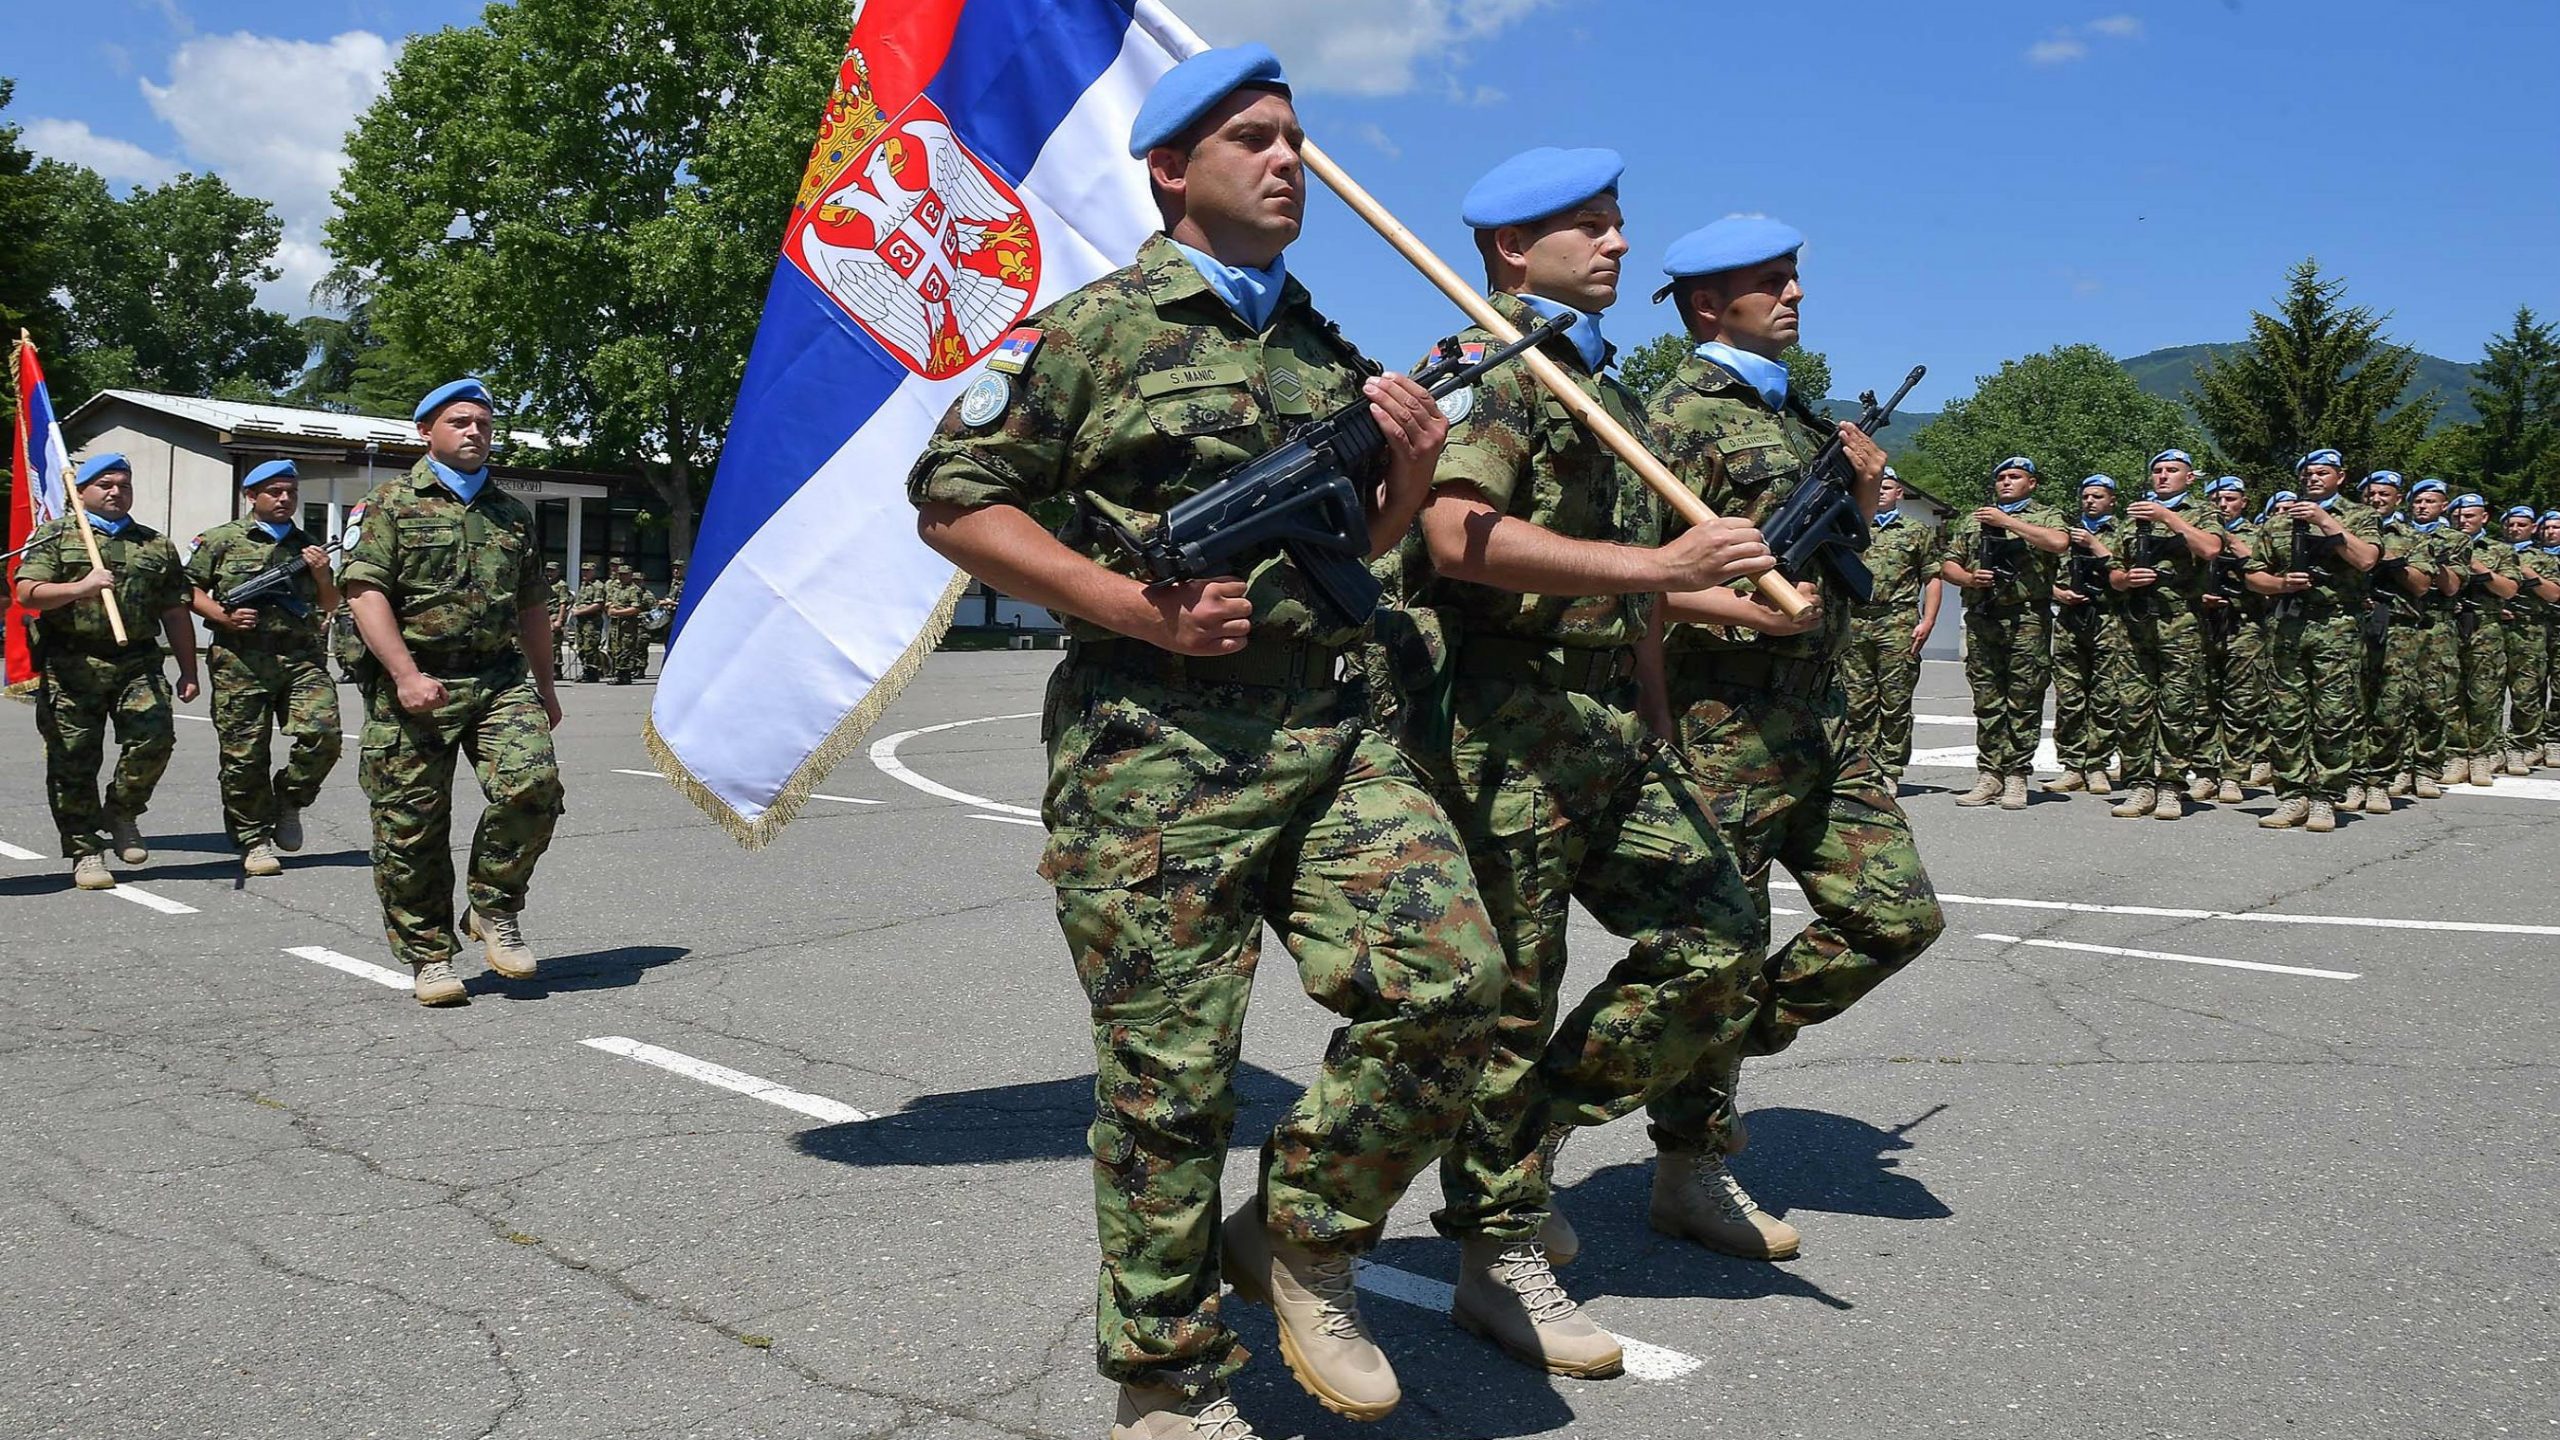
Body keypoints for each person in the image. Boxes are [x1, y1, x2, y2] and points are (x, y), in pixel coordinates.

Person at [906, 47, 1507, 1438]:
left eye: (1297, 137)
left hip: (1325, 719)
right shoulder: (1092, 332)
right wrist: (1127, 601)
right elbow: (952, 496)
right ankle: (1166, 1380)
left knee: (1452, 982)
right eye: (1254, 138)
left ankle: (1298, 1232)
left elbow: (1352, 546)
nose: (1289, 159)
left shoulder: (1321, 349)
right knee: (1172, 1084)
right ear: (1172, 169)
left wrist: (1409, 473)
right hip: (1152, 743)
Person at [1411, 145, 1774, 1376]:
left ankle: (1521, 1149)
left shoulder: (1593, 378)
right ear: (1515, 251)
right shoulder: (1490, 365)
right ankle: (1494, 1254)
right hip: (1506, 734)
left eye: (1619, 224)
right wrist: (1662, 574)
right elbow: (1457, 534)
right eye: (1590, 228)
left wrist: (1657, 694)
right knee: (1512, 1004)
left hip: (1612, 724)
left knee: (1719, 939)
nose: (1619, 245)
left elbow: (1633, 600)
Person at [1636, 214, 1944, 1262]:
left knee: (1894, 918)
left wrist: (1857, 498)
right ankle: (1689, 1165)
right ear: (1706, 304)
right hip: (1721, 730)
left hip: (1819, 723)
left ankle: (1715, 1036)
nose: (1795, 295)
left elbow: (1830, 581)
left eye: (1794, 278)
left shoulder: (1797, 415)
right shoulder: (1671, 418)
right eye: (1770, 282)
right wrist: (1738, 613)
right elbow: (1624, 583)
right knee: (1720, 947)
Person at [340, 378, 565, 1006]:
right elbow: (364, 592)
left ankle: (493, 908)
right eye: (460, 422)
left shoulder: (509, 513)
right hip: (415, 681)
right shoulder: (387, 503)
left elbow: (531, 605)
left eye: (484, 425)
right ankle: (429, 956)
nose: (475, 433)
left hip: (498, 678)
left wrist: (545, 688)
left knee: (533, 786)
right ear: (426, 432)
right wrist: (406, 675)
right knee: (409, 826)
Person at [12, 453, 199, 889]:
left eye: (124, 484)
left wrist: (189, 669)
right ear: (82, 492)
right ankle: (84, 850)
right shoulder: (56, 536)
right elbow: (27, 593)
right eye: (105, 484)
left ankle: (121, 810)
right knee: (73, 759)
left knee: (155, 738)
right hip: (72, 661)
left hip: (137, 659)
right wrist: (81, 586)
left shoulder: (154, 544)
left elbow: (175, 610)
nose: (116, 492)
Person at [184, 459, 343, 876]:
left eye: (290, 491)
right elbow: (186, 587)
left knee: (323, 735)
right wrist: (221, 616)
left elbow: (331, 604)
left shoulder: (308, 546)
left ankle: (289, 801)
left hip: (301, 658)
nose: (284, 499)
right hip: (241, 660)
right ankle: (253, 839)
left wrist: (323, 575)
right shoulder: (220, 540)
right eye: (274, 491)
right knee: (244, 756)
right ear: (251, 496)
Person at [2242, 449, 2381, 831]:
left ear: (2341, 476)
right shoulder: (2280, 522)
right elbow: (2253, 574)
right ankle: (2292, 795)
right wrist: (2282, 583)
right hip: (2288, 626)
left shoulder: (2359, 516)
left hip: (2336, 626)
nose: (2313, 479)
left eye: (2322, 473)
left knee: (2333, 715)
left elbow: (2367, 559)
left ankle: (2325, 797)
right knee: (2285, 716)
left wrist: (2323, 520)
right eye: (2307, 473)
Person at [1940, 458, 2069, 809]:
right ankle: (1989, 774)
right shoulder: (1974, 519)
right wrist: (1968, 578)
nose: (2006, 482)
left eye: (2015, 477)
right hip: (1985, 618)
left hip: (2027, 618)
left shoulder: (2046, 515)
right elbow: (1948, 562)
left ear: (2032, 483)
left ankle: (2016, 776)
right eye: (2001, 477)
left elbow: (2059, 543)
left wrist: (2008, 522)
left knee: (2024, 699)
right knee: (1987, 700)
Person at [2109, 449, 2224, 818]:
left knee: (2177, 707)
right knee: (2133, 707)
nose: (2162, 476)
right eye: (2157, 471)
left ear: (2189, 478)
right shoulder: (2132, 519)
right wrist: (2126, 579)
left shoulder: (2203, 513)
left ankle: (2171, 784)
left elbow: (2210, 549)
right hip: (2137, 622)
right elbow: (2112, 569)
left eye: (2171, 471)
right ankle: (2139, 783)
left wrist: (2167, 517)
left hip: (2180, 622)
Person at [1840, 468, 1942, 783]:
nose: (1881, 492)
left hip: (1897, 621)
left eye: (1888, 487)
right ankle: (1862, 769)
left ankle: (1890, 770)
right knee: (1857, 702)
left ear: (1899, 493)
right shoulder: (1851, 527)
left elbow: (1932, 577)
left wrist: (1928, 621)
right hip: (1856, 620)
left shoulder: (1916, 530)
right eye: (1877, 487)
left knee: (1895, 701)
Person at [2355, 471, 2435, 808]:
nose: (2376, 499)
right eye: (2371, 494)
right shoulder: (2345, 531)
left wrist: (2391, 562)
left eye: (2384, 494)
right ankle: (2354, 779)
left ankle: (2379, 780)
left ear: (2397, 499)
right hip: (2353, 626)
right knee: (2350, 708)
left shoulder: (2411, 537)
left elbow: (2421, 586)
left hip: (2398, 629)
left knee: (2390, 709)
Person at [2044, 475, 2127, 798]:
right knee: (2069, 698)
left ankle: (2098, 766)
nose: (2090, 501)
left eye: (2098, 496)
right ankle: (2072, 766)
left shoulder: (2122, 532)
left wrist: (2095, 545)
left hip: (2108, 619)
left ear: (2112, 501)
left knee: (2105, 698)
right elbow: (2040, 571)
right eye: (2086, 496)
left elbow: (2127, 571)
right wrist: (2057, 594)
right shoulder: (2065, 533)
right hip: (2069, 620)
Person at [2199, 476, 2273, 799]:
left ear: (2244, 502)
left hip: (2244, 624)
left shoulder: (2259, 534)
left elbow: (2263, 567)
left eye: (2230, 499)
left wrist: (2227, 539)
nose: (2223, 504)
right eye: (2216, 499)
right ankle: (2204, 771)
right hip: (2205, 622)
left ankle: (2233, 774)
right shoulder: (2196, 532)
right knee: (2203, 702)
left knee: (2241, 703)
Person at [2447, 493, 2520, 787]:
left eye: (2469, 516)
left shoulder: (2499, 550)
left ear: (2484, 518)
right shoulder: (2440, 544)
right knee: (2449, 694)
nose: (2463, 521)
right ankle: (2454, 754)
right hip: (2448, 624)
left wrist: (2479, 569)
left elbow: (2509, 590)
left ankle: (2480, 756)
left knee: (2484, 696)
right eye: (2457, 517)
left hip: (2484, 628)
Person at [2498, 505, 2557, 773]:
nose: (2515, 529)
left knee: (2528, 691)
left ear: (2533, 528)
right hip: (2493, 629)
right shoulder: (2492, 552)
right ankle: (2493, 746)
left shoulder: (2541, 558)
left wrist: (2524, 571)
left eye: (2522, 525)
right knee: (2487, 692)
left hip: (2531, 629)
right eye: (2511, 524)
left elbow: (2553, 594)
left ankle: (2527, 744)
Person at [571, 560, 608, 682]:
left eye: (588, 571)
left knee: (590, 648)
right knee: (581, 647)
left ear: (594, 572)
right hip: (581, 621)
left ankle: (593, 673)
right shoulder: (583, 585)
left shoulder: (598, 586)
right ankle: (586, 670)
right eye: (583, 571)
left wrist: (579, 611)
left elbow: (598, 605)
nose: (585, 573)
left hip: (592, 621)